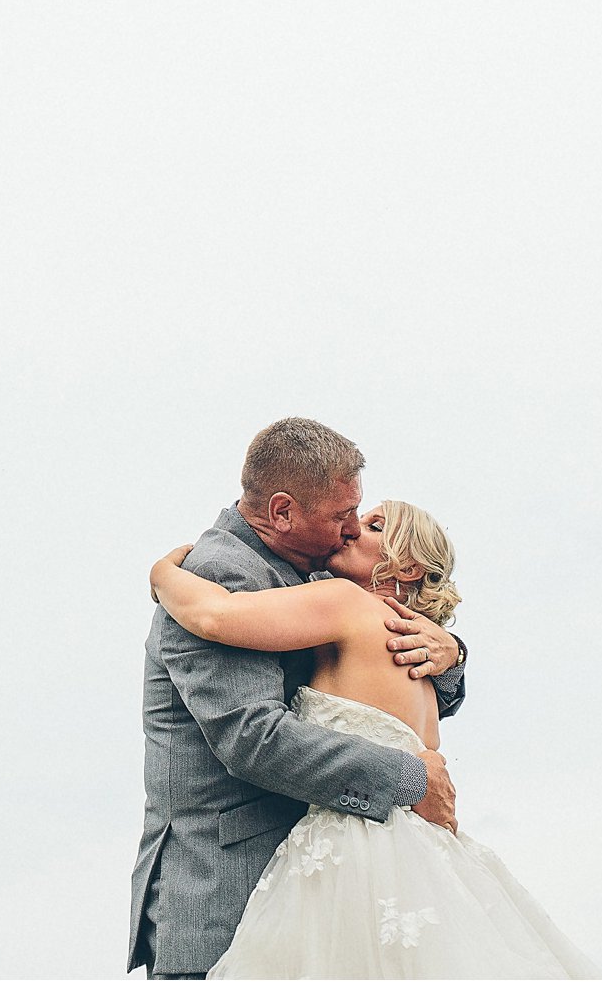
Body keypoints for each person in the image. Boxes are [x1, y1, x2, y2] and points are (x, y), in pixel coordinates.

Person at [151, 499, 602, 979]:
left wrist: (162, 575)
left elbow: (217, 616)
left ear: (405, 563)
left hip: (354, 851)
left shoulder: (344, 605)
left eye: (373, 525)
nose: (350, 529)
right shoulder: (420, 663)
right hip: (422, 859)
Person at [129, 418, 468, 979]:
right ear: (283, 511)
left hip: (327, 894)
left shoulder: (317, 587)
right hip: (227, 900)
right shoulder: (221, 572)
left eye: (364, 519)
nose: (351, 530)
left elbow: (383, 683)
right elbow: (252, 738)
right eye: (343, 517)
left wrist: (450, 651)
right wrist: (409, 780)